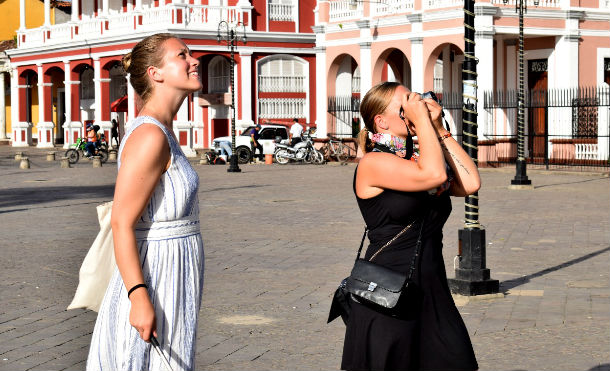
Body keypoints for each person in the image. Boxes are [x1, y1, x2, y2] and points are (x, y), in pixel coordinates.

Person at [342, 81, 481, 371]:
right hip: (389, 295)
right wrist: (421, 121)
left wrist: (438, 128)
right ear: (381, 121)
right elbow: (431, 174)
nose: (414, 105)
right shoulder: (373, 163)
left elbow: (469, 182)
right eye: (405, 103)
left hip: (432, 290)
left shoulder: (417, 159)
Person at [87, 33, 204, 371]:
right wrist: (139, 298)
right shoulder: (150, 135)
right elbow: (121, 222)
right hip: (156, 275)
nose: (194, 60)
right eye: (182, 55)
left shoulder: (164, 131)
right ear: (156, 73)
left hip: (175, 275)